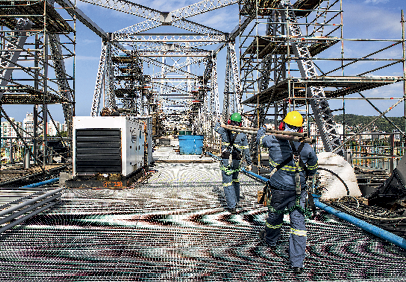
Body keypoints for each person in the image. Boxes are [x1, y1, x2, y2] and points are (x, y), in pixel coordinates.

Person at [256, 111, 318, 274]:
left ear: (283, 125)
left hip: (278, 188)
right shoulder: (307, 146)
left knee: (275, 216)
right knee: (298, 224)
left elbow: (260, 140)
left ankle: (270, 240)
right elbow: (312, 167)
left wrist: (262, 130)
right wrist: (308, 174)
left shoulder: (274, 140)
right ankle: (297, 262)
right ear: (301, 128)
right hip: (298, 191)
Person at [215, 112, 252, 214]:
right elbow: (246, 151)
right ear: (240, 124)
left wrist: (220, 122)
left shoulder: (224, 130)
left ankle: (232, 206)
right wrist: (249, 163)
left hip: (227, 160)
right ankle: (236, 201)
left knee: (227, 183)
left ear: (229, 121)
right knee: (235, 180)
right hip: (236, 160)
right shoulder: (242, 134)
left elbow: (216, 127)